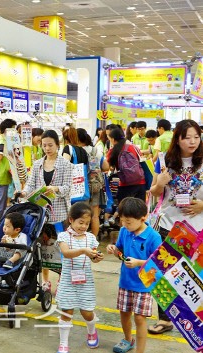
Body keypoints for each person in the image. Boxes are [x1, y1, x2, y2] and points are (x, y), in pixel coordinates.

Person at [148, 120, 203, 334]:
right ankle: (166, 318)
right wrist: (160, 183)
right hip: (170, 225)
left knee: (195, 275)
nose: (192, 142)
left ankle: (195, 319)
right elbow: (153, 192)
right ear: (177, 139)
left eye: (196, 137)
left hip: (197, 228)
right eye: (187, 137)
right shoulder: (165, 161)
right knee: (165, 273)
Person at [18, 130, 73, 291]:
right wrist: (23, 192)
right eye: (44, 145)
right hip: (41, 214)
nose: (47, 148)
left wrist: (55, 188)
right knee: (43, 249)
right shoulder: (37, 164)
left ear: (57, 145)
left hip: (59, 215)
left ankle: (62, 280)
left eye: (50, 145)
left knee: (60, 249)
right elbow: (30, 184)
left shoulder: (65, 165)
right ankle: (45, 281)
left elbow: (68, 188)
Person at [106, 198, 162, 353]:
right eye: (122, 221)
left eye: (128, 222)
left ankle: (140, 350)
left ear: (143, 218)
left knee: (139, 318)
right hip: (125, 281)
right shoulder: (125, 231)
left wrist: (138, 263)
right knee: (124, 313)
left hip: (144, 284)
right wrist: (114, 250)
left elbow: (159, 265)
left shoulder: (154, 237)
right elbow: (120, 253)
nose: (124, 225)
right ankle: (128, 339)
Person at [55, 202, 104, 353]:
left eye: (87, 223)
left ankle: (91, 331)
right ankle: (63, 343)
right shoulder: (63, 236)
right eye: (80, 222)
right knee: (66, 312)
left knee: (87, 312)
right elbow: (66, 253)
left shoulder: (90, 238)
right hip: (67, 281)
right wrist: (83, 250)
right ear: (71, 220)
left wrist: (96, 257)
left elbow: (93, 257)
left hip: (85, 281)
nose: (83, 226)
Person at [102, 127, 146, 202]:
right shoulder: (134, 147)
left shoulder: (113, 151)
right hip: (140, 182)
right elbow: (141, 160)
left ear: (112, 139)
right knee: (139, 210)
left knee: (124, 210)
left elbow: (107, 167)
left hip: (125, 184)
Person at [77, 128, 104, 236]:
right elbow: (104, 165)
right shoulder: (95, 150)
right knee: (95, 215)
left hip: (82, 186)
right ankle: (94, 240)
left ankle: (81, 238)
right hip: (95, 185)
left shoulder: (76, 151)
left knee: (82, 214)